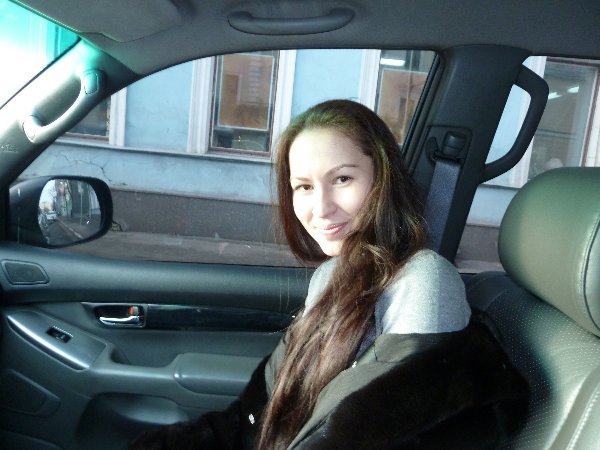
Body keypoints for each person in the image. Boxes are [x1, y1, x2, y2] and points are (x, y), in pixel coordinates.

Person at [131, 100, 527, 450]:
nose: (320, 208)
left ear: (383, 179)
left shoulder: (423, 282)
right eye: (303, 187)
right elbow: (261, 412)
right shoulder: (330, 276)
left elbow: (397, 432)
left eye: (342, 179)